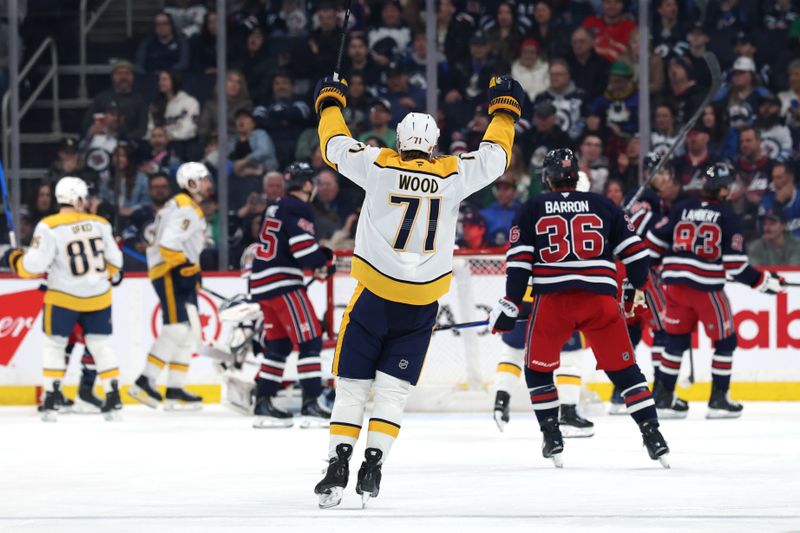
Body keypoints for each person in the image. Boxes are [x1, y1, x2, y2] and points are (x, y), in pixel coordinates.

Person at [312, 74, 522, 507]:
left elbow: (334, 145)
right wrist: (503, 108)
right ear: (434, 143)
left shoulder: (378, 163)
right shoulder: (452, 172)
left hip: (374, 295)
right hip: (422, 302)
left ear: (399, 138)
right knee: (392, 390)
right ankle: (374, 463)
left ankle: (337, 466)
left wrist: (330, 100)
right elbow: (496, 156)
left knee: (352, 385)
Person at [488, 148, 668, 469]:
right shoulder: (604, 205)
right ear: (577, 176)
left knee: (538, 369)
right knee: (626, 372)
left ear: (547, 177)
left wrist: (511, 303)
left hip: (553, 301)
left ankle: (552, 433)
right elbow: (638, 258)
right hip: (600, 300)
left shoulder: (533, 207)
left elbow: (519, 264)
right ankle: (652, 434)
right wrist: (637, 286)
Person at [645, 163, 786, 419]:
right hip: (706, 289)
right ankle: (718, 399)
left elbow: (653, 243)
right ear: (722, 189)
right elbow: (736, 267)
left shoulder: (682, 207)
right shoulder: (727, 216)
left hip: (674, 286)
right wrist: (764, 282)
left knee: (675, 340)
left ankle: (664, 398)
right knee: (725, 341)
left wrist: (657, 266)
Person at [1, 177, 124, 421]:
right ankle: (113, 396)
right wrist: (97, 277)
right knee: (100, 346)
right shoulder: (100, 223)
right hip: (98, 297)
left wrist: (15, 260)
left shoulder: (49, 226)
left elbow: (34, 265)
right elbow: (117, 263)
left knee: (55, 346)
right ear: (78, 199)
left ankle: (51, 398)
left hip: (63, 298)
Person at [492, 171, 596, 438]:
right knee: (570, 356)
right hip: (558, 296)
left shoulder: (535, 209)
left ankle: (500, 400)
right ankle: (569, 413)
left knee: (514, 349)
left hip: (526, 293)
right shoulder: (587, 215)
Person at [248, 162, 335, 428]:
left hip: (262, 284)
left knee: (280, 345)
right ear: (307, 184)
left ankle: (263, 403)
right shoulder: (298, 207)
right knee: (309, 340)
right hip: (283, 283)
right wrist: (325, 261)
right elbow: (303, 250)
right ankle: (311, 403)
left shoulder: (274, 206)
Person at [128, 162, 212, 410]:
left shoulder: (180, 205)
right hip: (170, 272)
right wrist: (185, 268)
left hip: (176, 270)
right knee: (176, 328)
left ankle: (175, 387)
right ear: (192, 183)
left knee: (186, 331)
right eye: (204, 179)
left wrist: (189, 268)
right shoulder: (186, 208)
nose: (208, 184)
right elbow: (167, 244)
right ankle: (144, 381)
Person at [82, 59, 148, 140]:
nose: (123, 77)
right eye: (119, 73)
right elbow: (86, 125)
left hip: (130, 144)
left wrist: (122, 138)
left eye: (127, 73)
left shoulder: (140, 100)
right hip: (103, 142)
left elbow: (142, 130)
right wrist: (92, 130)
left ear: (132, 77)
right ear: (113, 77)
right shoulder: (101, 98)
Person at [122, 173, 173, 271]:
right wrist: (137, 245)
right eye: (156, 187)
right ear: (149, 191)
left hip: (171, 263)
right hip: (143, 265)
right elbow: (128, 236)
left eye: (163, 187)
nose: (160, 190)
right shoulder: (139, 214)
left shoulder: (178, 214)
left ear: (170, 189)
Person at [146, 71, 201, 160]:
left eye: (164, 80)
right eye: (160, 80)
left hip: (182, 144)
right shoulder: (155, 105)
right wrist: (155, 138)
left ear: (174, 81)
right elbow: (150, 127)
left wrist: (169, 137)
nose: (160, 83)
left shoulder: (190, 102)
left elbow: (189, 129)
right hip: (159, 143)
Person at [532, 60, 588, 141]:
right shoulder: (541, 98)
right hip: (546, 143)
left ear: (568, 76)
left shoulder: (582, 97)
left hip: (575, 144)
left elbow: (585, 122)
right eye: (552, 74)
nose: (554, 78)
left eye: (558, 74)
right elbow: (535, 123)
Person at [760, 163, 800, 238]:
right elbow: (766, 231)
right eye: (773, 178)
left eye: (779, 177)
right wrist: (777, 204)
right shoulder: (766, 201)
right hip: (777, 247)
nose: (775, 182)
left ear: (791, 178)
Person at [481, 174, 522, 246]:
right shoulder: (485, 213)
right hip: (491, 254)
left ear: (514, 191)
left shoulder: (522, 212)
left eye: (506, 188)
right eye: (498, 188)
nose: (501, 192)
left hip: (516, 252)